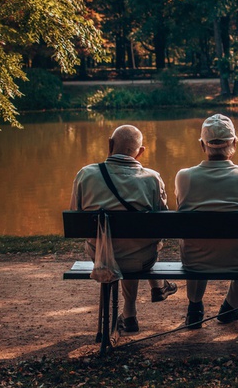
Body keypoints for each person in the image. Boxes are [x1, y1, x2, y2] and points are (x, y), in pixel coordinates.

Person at [70, 124, 177, 332]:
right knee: (138, 246)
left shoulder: (86, 174)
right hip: (141, 260)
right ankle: (137, 306)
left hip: (100, 256)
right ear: (141, 152)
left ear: (110, 145)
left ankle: (131, 314)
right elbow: (163, 221)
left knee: (121, 246)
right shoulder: (152, 178)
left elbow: (76, 214)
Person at [175, 114, 238, 329]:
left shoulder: (184, 177)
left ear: (201, 145)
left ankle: (195, 307)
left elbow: (182, 208)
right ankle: (232, 307)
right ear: (235, 143)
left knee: (196, 239)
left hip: (196, 260)